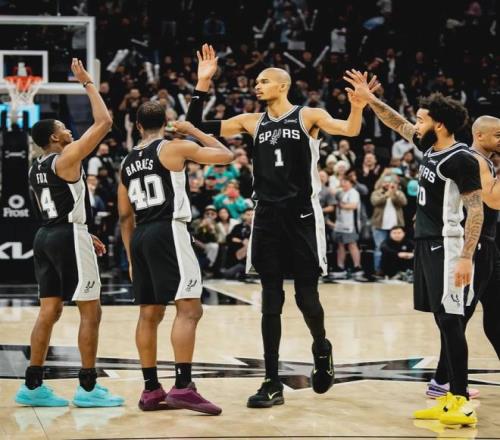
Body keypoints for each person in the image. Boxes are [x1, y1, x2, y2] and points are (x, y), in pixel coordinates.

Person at [186, 44, 378, 408]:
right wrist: (202, 84)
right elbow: (195, 127)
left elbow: (350, 130)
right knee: (270, 301)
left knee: (307, 298)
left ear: (282, 86)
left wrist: (357, 106)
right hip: (267, 216)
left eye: (263, 81)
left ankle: (321, 347)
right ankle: (271, 381)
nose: (257, 86)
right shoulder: (251, 121)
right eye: (256, 82)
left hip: (302, 215)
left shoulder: (309, 116)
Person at [345, 70, 483, 426]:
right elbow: (397, 123)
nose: (416, 125)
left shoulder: (462, 159)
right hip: (426, 243)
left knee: (451, 320)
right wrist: (370, 100)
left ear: (439, 125)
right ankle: (448, 396)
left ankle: (460, 401)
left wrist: (466, 256)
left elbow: (476, 210)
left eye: (422, 120)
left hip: (448, 245)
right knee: (442, 320)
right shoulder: (430, 147)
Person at [16, 59, 123, 408]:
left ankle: (32, 386)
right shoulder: (65, 158)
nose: (69, 132)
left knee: (49, 311)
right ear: (54, 138)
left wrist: (81, 231)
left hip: (46, 236)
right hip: (68, 236)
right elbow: (104, 122)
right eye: (64, 128)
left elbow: (54, 206)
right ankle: (88, 388)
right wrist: (88, 83)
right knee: (91, 311)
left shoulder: (35, 168)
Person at [118, 102, 233, 415]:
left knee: (149, 313)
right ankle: (183, 386)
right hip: (169, 229)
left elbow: (124, 216)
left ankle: (151, 389)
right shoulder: (172, 148)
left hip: (140, 236)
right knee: (190, 309)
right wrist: (193, 130)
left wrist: (130, 258)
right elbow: (225, 155)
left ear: (138, 126)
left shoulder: (126, 161)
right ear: (166, 122)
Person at [427, 115, 500, 400]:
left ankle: (442, 379)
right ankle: (442, 380)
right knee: (458, 318)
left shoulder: (485, 160)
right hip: (474, 246)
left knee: (494, 314)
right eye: (498, 135)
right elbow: (493, 199)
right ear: (479, 135)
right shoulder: (473, 160)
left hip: (489, 245)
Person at [332, 177, 362, 277]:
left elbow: (353, 206)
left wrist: (341, 205)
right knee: (340, 244)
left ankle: (357, 266)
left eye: (345, 182)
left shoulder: (354, 192)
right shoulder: (341, 192)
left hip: (351, 224)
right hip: (340, 223)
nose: (343, 184)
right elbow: (331, 191)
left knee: (352, 244)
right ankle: (340, 266)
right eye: (342, 182)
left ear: (351, 183)